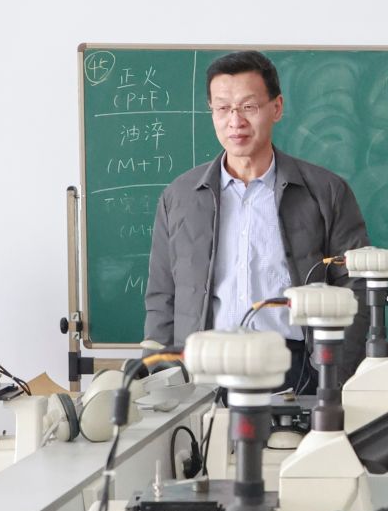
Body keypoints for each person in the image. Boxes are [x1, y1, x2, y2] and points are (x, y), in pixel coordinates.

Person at [144, 50, 371, 390]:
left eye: (248, 106)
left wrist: (332, 375)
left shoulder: (325, 192)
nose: (235, 121)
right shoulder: (180, 197)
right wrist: (161, 382)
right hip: (204, 368)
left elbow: (357, 286)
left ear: (276, 107)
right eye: (223, 108)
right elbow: (162, 297)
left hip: (296, 367)